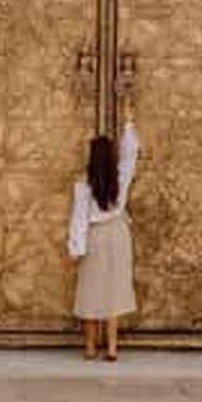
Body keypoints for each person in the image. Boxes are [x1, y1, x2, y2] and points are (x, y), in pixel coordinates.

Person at [67, 113, 140, 361]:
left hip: (96, 236)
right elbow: (131, 155)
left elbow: (79, 220)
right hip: (118, 234)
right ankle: (112, 349)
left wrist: (76, 248)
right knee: (114, 290)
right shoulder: (120, 179)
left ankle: (89, 348)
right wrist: (128, 125)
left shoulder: (84, 186)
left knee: (91, 290)